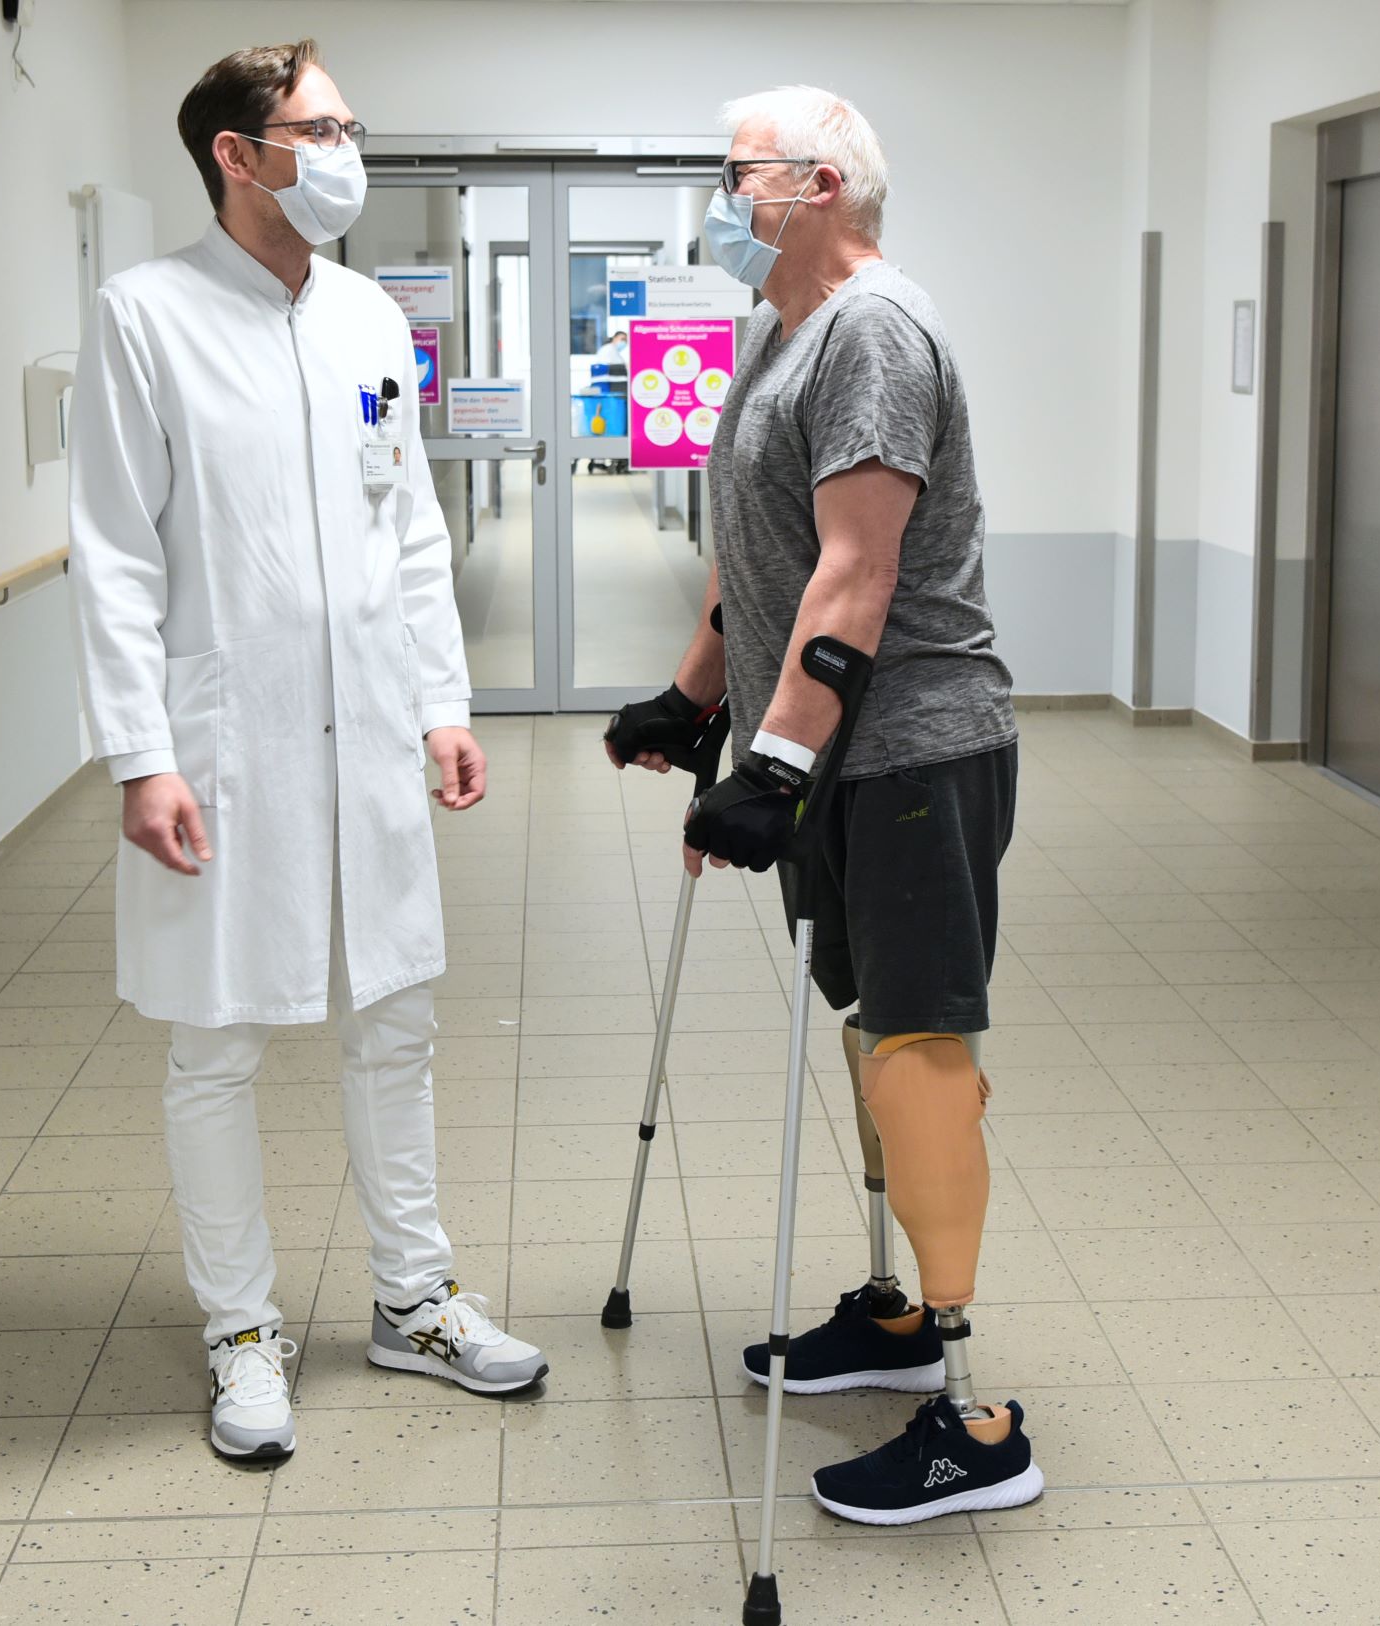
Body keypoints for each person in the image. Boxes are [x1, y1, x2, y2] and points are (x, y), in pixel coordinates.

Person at [67, 38, 546, 1465]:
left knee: (394, 1017)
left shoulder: (366, 322)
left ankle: (413, 1295)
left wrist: (442, 702)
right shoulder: (143, 315)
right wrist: (140, 754)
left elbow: (407, 529)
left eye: (349, 121)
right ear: (236, 151)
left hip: (372, 727)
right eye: (320, 125)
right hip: (226, 737)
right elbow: (111, 553)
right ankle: (239, 1328)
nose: (346, 147)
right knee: (217, 1042)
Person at [606, 84, 1038, 1524]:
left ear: (824, 184)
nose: (722, 202)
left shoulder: (872, 331)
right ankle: (898, 1316)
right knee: (867, 1020)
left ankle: (975, 1418)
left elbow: (858, 567)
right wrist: (695, 697)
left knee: (918, 1035)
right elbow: (761, 550)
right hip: (839, 752)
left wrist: (775, 763)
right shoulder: (784, 339)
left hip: (911, 745)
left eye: (739, 176)